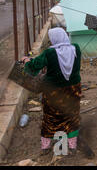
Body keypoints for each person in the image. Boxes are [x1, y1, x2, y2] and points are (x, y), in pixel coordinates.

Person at [22, 27, 82, 155]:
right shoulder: (76, 48)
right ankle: (72, 146)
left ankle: (46, 146)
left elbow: (33, 67)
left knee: (51, 116)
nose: (50, 41)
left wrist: (26, 61)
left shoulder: (49, 53)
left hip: (53, 91)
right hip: (73, 88)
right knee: (71, 115)